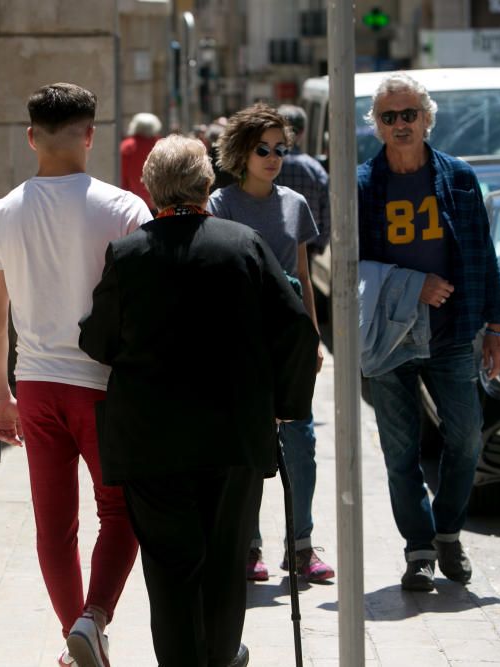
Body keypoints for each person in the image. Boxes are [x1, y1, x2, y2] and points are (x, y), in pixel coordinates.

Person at [80, 134, 319, 667]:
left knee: (169, 570)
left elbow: (97, 340)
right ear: (208, 185)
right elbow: (298, 330)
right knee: (226, 563)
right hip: (233, 438)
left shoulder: (129, 253)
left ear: (150, 188)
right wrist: (285, 404)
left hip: (152, 444)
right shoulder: (244, 244)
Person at [0, 82, 149, 667]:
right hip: (104, 386)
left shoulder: (3, 212)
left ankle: (76, 638)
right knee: (121, 510)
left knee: (55, 525)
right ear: (90, 135)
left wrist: (0, 394)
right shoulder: (125, 208)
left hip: (36, 385)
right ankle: (94, 618)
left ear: (31, 138)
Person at [358, 72, 500, 591]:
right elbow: (347, 266)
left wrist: (496, 325)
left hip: (452, 333)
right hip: (391, 339)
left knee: (466, 439)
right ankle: (419, 549)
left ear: (427, 118)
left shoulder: (460, 177)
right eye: (389, 117)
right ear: (376, 126)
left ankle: (448, 532)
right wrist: (410, 285)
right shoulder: (360, 186)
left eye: (409, 115)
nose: (400, 124)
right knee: (399, 453)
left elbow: (482, 256)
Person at [209, 103, 334, 583]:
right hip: (243, 343)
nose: (274, 157)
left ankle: (300, 545)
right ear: (242, 152)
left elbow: (302, 276)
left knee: (301, 443)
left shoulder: (294, 203)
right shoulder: (222, 205)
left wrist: (313, 338)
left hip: (288, 341)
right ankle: (249, 545)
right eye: (264, 148)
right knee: (249, 448)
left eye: (281, 148)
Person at [275, 104, 331, 255]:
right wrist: (320, 244)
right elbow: (328, 212)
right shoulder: (315, 169)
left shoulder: (265, 164)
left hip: (271, 246)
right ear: (303, 132)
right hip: (308, 247)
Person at [119, 112, 162, 212]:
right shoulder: (161, 145)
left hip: (133, 202)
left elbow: (123, 176)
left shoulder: (126, 146)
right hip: (159, 202)